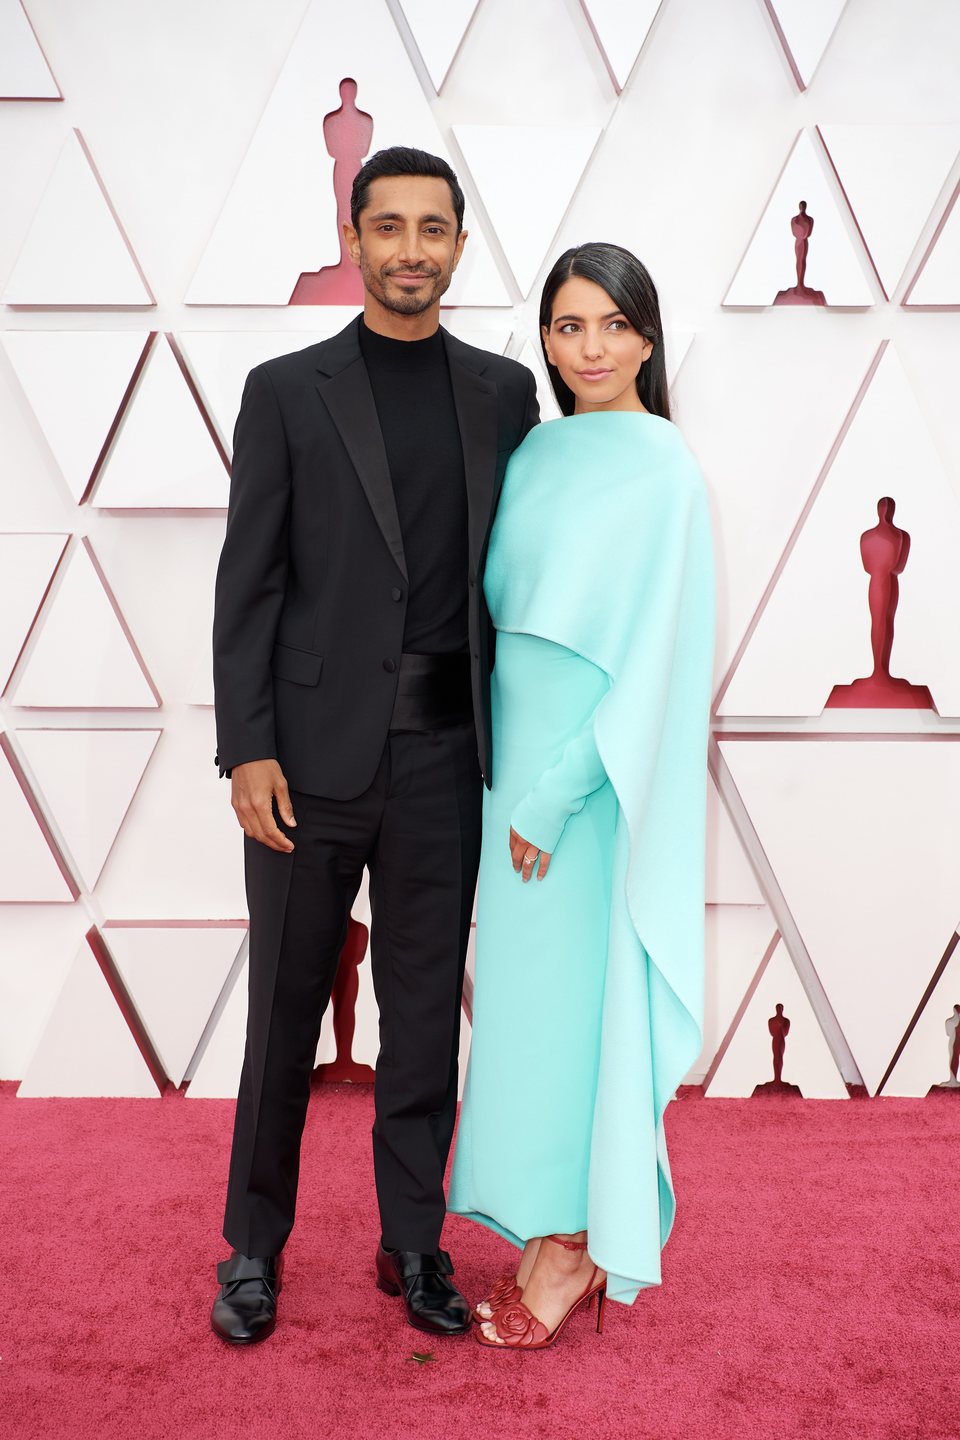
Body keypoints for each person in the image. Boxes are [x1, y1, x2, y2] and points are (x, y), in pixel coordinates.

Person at [209, 146, 539, 1345]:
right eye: (388, 226)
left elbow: (519, 581)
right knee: (284, 1014)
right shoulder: (286, 390)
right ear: (356, 239)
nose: (410, 248)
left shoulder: (506, 396)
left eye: (433, 229)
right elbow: (247, 584)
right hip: (304, 763)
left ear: (459, 244)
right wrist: (247, 748)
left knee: (418, 1019)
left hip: (447, 760)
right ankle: (252, 1247)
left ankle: (414, 1244)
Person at [448, 242, 714, 1350]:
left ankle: (576, 1248)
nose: (590, 347)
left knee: (579, 1015)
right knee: (525, 1019)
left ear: (649, 335)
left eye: (612, 324)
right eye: (567, 326)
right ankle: (553, 1220)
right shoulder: (535, 454)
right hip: (511, 779)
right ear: (546, 341)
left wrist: (553, 798)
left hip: (584, 797)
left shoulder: (668, 469)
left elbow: (651, 664)